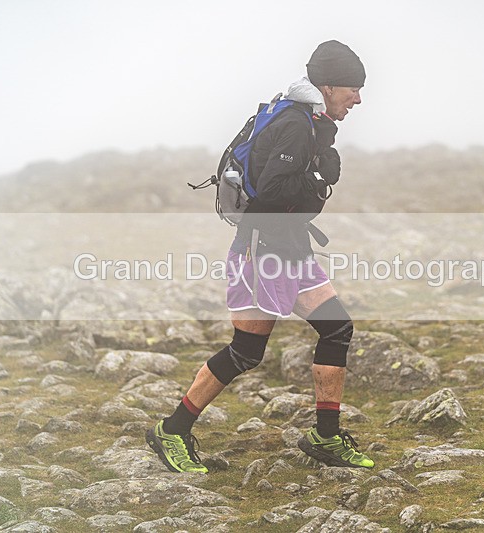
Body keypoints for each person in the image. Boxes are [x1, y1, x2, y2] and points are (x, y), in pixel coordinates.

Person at [146, 40, 373, 473]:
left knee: (337, 329)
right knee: (246, 351)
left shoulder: (308, 119)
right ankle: (171, 430)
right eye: (353, 89)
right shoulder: (295, 124)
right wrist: (319, 179)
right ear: (328, 86)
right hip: (263, 252)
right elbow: (272, 192)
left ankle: (325, 437)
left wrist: (317, 169)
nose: (358, 99)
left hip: (289, 247)